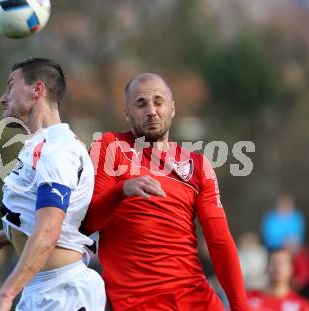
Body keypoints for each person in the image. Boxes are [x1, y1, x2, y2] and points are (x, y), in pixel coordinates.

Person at [83, 73, 247, 310]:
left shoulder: (198, 166)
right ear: (127, 112)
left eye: (158, 102)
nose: (151, 110)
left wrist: (241, 306)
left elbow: (219, 242)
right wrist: (121, 191)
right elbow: (89, 222)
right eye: (141, 104)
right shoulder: (109, 147)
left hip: (197, 299)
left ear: (172, 108)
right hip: (140, 302)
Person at [0, 58, 105, 311]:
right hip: (42, 289)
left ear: (37, 90)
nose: (3, 97)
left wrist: (6, 294)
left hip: (63, 292)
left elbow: (49, 230)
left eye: (10, 86)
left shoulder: (57, 150)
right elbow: (44, 219)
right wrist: (0, 237)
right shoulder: (40, 147)